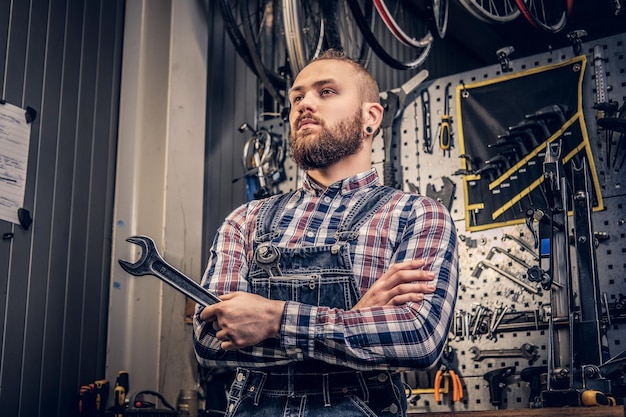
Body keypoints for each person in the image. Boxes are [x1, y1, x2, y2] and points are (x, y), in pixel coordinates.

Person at [193, 49, 458, 417]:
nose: (304, 104)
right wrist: (354, 318)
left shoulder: (418, 215)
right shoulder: (245, 219)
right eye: (297, 97)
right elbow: (210, 339)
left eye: (326, 92)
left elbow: (418, 336)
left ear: (371, 117)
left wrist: (273, 320)